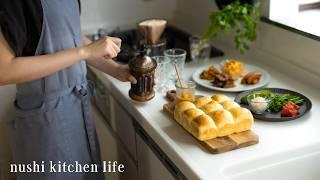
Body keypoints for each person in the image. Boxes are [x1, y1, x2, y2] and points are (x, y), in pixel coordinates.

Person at [0, 0, 136, 179]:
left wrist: (116, 70)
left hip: (77, 112)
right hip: (45, 124)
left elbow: (71, 36)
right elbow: (4, 71)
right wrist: (84, 53)